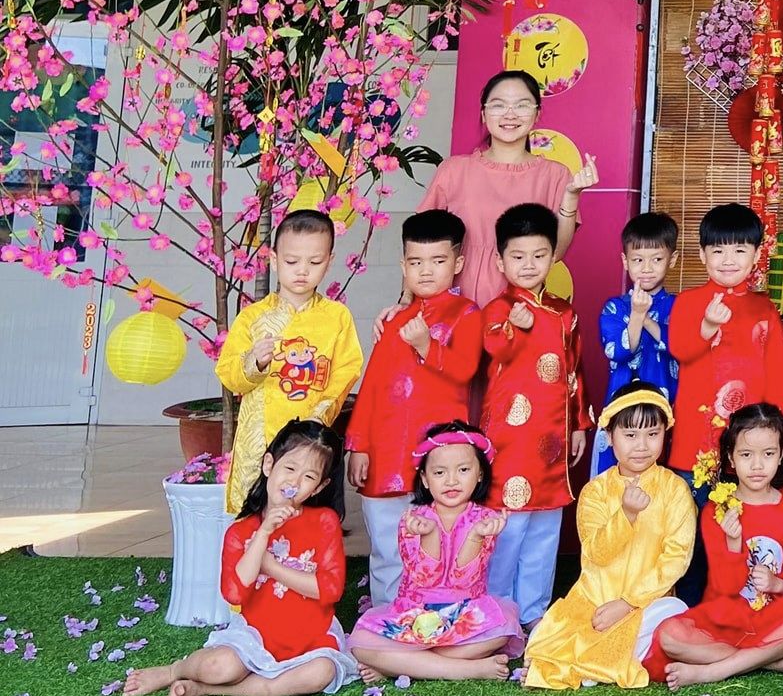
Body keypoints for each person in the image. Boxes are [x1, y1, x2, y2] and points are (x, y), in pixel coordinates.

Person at [122, 421, 357, 696]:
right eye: (289, 468)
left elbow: (330, 590)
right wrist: (264, 533)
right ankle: (173, 671)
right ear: (269, 464)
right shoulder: (240, 532)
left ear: (319, 486)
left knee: (322, 672)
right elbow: (234, 594)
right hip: (255, 634)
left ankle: (206, 690)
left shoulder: (324, 522)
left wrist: (271, 567)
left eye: (309, 477)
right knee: (220, 667)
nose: (294, 482)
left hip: (311, 638)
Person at [347, 210, 483, 607]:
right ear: (403, 266)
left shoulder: (467, 313)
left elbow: (465, 370)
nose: (426, 271)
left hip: (438, 456)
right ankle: (388, 616)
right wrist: (358, 445)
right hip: (386, 451)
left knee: (439, 539)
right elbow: (372, 387)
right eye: (416, 262)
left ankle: (433, 614)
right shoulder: (393, 320)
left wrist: (426, 345)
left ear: (457, 263)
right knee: (388, 544)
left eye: (438, 261)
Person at [522, 384, 695, 690]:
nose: (642, 445)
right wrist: (626, 515)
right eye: (630, 435)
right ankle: (603, 662)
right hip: (595, 603)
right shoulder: (595, 492)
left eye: (652, 434)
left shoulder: (675, 489)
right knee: (541, 635)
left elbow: (675, 560)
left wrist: (627, 604)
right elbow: (596, 552)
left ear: (664, 435)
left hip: (647, 604)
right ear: (610, 437)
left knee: (674, 614)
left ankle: (593, 665)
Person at [653, 402, 783, 688]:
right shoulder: (718, 509)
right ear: (731, 458)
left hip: (774, 616)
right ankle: (770, 661)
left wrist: (778, 584)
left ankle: (713, 671)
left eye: (768, 454)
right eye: (746, 454)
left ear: (782, 453)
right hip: (727, 618)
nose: (757, 465)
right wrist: (733, 544)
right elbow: (724, 588)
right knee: (669, 635)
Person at [479, 203, 590, 627]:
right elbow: (495, 349)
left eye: (539, 255)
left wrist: (579, 424)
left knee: (545, 530)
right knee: (507, 529)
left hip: (554, 439)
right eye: (518, 256)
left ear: (553, 257)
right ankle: (497, 614)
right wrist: (514, 326)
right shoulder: (496, 310)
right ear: (500, 261)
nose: (528, 265)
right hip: (510, 440)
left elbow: (575, 372)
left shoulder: (565, 313)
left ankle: (533, 614)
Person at [348, 421, 524, 682]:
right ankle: (468, 669)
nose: (451, 481)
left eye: (463, 470)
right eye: (440, 472)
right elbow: (424, 577)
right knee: (360, 643)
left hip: (465, 612)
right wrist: (429, 535)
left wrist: (476, 536)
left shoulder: (485, 520)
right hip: (414, 612)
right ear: (425, 479)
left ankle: (399, 665)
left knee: (503, 629)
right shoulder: (413, 519)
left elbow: (464, 579)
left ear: (480, 474)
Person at [215, 210, 363, 510]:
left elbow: (346, 370)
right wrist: (254, 363)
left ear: (330, 261)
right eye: (292, 261)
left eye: (315, 262)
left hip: (311, 436)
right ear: (274, 259)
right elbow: (228, 373)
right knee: (255, 513)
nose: (302, 271)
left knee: (309, 514)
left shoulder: (336, 317)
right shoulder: (254, 317)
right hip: (260, 436)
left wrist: (320, 414)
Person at [415, 69, 596, 311]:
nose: (510, 114)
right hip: (453, 307)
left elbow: (557, 252)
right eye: (498, 105)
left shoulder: (555, 175)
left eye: (522, 105)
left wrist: (572, 196)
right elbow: (418, 242)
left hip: (520, 309)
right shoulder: (453, 170)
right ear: (483, 113)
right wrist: (406, 298)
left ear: (537, 114)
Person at [669, 203, 783, 488]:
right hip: (695, 436)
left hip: (751, 439)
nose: (728, 260)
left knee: (745, 511)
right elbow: (680, 350)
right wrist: (708, 326)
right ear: (702, 254)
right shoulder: (687, 301)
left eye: (739, 250)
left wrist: (781, 428)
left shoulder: (764, 308)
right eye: (718, 251)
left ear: (757, 255)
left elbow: (777, 374)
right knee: (693, 509)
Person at [596, 212, 681, 473]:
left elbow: (680, 347)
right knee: (617, 472)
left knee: (663, 475)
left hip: (667, 403)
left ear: (672, 260)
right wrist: (635, 315)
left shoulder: (679, 306)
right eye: (638, 260)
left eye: (657, 259)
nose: (646, 268)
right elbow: (619, 352)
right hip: (622, 401)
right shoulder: (614, 307)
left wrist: (645, 318)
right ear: (625, 261)